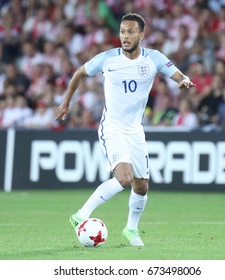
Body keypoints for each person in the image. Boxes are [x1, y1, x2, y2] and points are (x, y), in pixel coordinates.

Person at [55, 13, 194, 247]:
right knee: (124, 178)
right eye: (122, 32)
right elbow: (79, 73)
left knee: (141, 185)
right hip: (112, 126)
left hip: (135, 129)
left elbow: (178, 74)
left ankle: (131, 229)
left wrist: (183, 80)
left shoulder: (154, 58)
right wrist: (66, 102)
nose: (125, 36)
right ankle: (81, 214)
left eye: (130, 32)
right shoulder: (107, 59)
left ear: (141, 34)